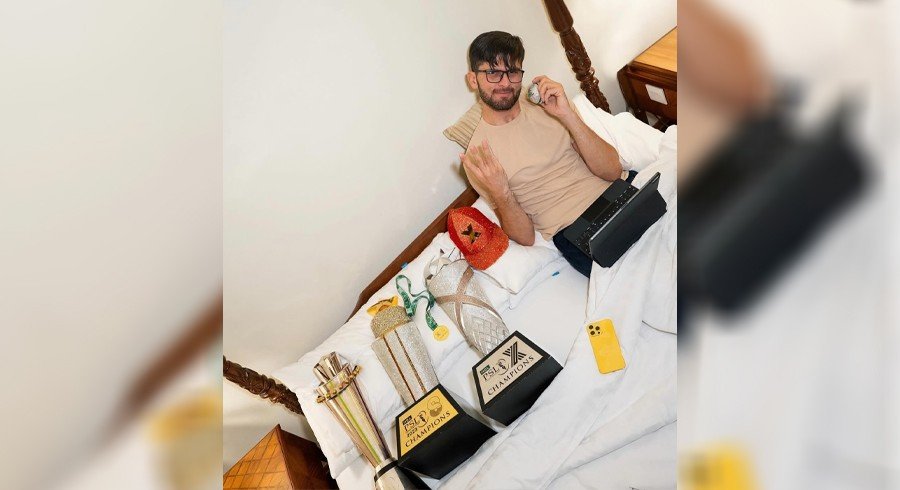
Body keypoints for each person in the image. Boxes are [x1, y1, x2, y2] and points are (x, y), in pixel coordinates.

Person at [460, 31, 627, 278]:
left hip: (619, 193)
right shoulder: (478, 157)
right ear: (473, 80)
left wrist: (567, 116)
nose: (505, 83)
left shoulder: (549, 105)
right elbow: (525, 238)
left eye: (513, 72)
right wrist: (501, 193)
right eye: (493, 73)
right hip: (574, 230)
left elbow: (613, 170)